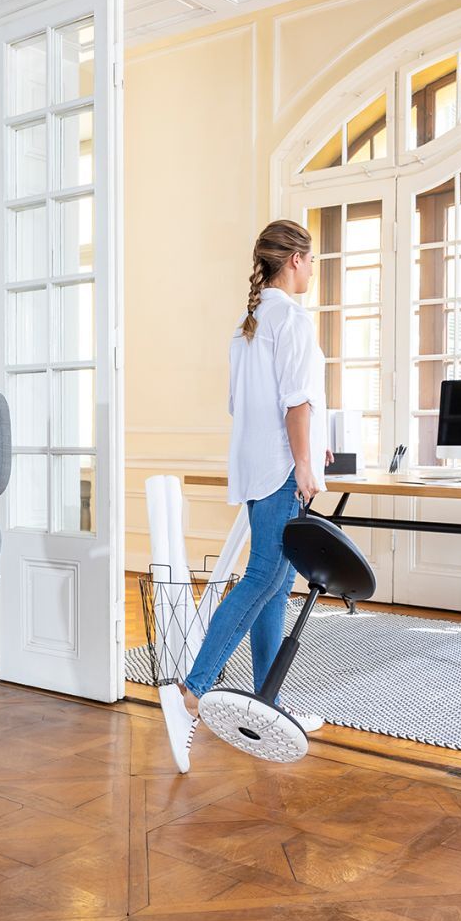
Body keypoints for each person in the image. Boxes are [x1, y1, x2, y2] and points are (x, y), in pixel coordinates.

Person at [160, 219, 332, 771]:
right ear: (296, 259)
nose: (313, 269)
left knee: (277, 583)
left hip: (256, 462)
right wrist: (303, 461)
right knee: (265, 576)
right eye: (312, 259)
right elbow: (296, 403)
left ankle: (267, 703)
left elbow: (243, 403)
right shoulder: (294, 320)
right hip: (281, 466)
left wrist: (311, 446)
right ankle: (197, 684)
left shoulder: (249, 321)